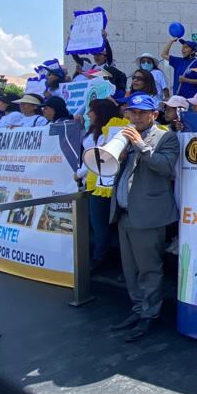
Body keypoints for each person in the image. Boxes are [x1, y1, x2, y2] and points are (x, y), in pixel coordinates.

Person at [108, 93, 180, 342]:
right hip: (125, 213)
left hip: (149, 216)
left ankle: (150, 314)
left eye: (140, 113)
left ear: (154, 115)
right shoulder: (124, 136)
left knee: (149, 269)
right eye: (131, 112)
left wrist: (140, 145)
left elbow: (166, 167)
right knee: (130, 268)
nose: (134, 116)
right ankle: (138, 309)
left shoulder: (166, 137)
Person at [77, 98, 121, 272]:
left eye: (92, 110)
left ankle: (99, 259)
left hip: (101, 184)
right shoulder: (93, 130)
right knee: (94, 224)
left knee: (99, 224)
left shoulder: (107, 133)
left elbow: (97, 158)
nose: (88, 114)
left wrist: (79, 173)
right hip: (89, 182)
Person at [72, 30, 127, 94]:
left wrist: (105, 39)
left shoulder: (109, 65)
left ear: (105, 57)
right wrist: (71, 45)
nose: (96, 57)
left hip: (107, 93)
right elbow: (78, 59)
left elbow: (109, 53)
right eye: (95, 55)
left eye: (99, 54)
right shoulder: (91, 67)